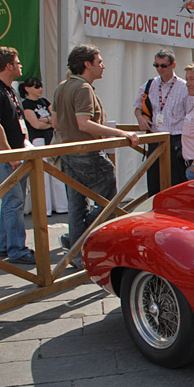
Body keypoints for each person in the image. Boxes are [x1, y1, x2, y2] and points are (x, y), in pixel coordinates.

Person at [54, 43, 140, 268]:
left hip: (68, 154)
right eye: (99, 62)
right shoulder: (83, 89)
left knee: (76, 205)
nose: (103, 66)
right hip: (87, 154)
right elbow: (84, 124)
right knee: (108, 204)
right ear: (87, 64)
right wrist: (120, 132)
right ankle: (84, 240)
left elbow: (55, 122)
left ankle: (75, 248)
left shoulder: (62, 87)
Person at [0, 46, 34, 264]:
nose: (20, 65)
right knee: (14, 201)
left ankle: (5, 245)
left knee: (12, 201)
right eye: (17, 61)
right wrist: (9, 153)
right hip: (5, 156)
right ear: (8, 65)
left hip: (17, 152)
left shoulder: (10, 90)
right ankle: (16, 249)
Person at [134, 49, 189, 195]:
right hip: (155, 138)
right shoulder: (150, 84)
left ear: (173, 65)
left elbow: (191, 114)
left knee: (176, 183)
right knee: (154, 183)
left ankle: (174, 215)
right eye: (156, 65)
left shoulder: (184, 87)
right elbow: (137, 106)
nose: (159, 69)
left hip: (175, 140)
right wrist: (141, 118)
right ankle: (155, 213)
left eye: (163, 66)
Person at [20, 77, 68, 215]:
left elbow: (55, 119)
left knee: (56, 172)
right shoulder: (26, 105)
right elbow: (35, 124)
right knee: (42, 176)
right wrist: (47, 121)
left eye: (40, 86)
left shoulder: (44, 101)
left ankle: (61, 206)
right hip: (38, 140)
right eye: (36, 87)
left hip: (51, 138)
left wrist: (46, 120)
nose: (40, 89)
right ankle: (44, 208)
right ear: (27, 88)